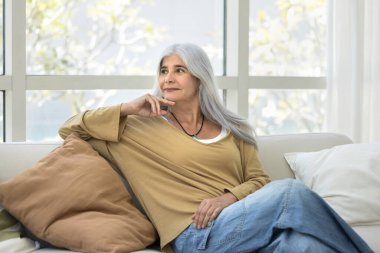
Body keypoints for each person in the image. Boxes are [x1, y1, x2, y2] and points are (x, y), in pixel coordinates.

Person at [59, 43, 373, 253]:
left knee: (303, 244)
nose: (168, 78)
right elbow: (70, 126)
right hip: (196, 235)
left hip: (242, 223)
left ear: (200, 78)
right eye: (164, 71)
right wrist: (127, 107)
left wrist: (227, 198)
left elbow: (259, 181)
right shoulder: (137, 128)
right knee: (291, 192)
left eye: (179, 70)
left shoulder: (234, 128)